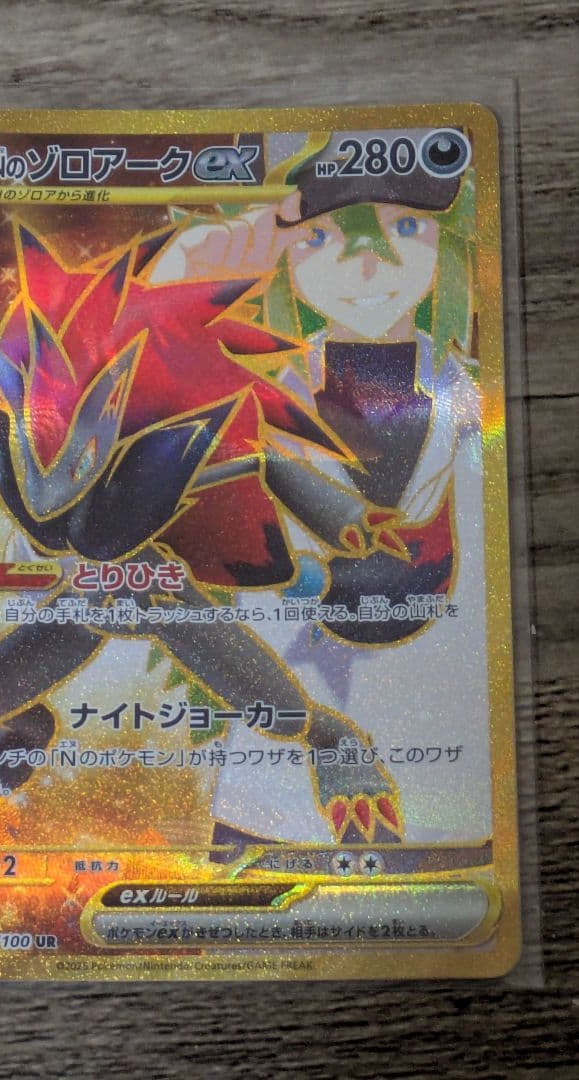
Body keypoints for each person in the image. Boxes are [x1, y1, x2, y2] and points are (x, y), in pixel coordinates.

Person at [151, 130, 492, 853]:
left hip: (445, 715)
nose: (368, 262)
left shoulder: (468, 395)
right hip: (279, 745)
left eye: (408, 229)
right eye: (320, 238)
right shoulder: (249, 398)